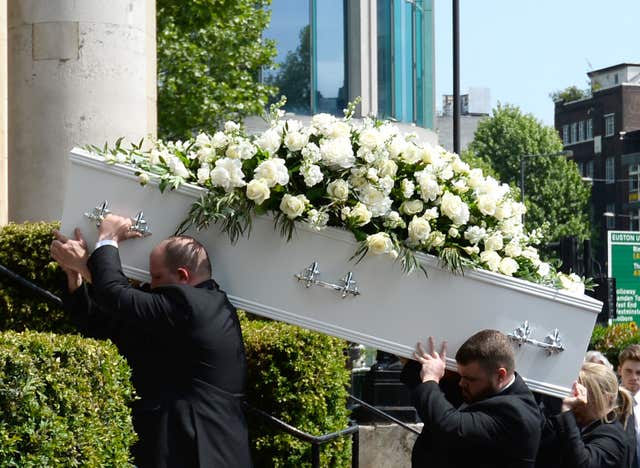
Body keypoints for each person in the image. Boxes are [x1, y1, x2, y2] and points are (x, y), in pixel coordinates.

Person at [50, 214, 252, 468]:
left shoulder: (193, 305)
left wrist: (108, 238)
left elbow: (116, 295)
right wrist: (77, 277)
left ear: (182, 276)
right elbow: (106, 324)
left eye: (155, 277)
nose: (150, 286)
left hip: (199, 447)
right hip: (187, 445)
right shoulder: (185, 312)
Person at [400, 329, 542, 468]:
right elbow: (433, 392)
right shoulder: (484, 386)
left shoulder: (517, 414)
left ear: (500, 375)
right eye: (461, 376)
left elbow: (449, 426)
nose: (461, 383)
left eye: (469, 379)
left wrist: (431, 378)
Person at [536, 362, 634, 468]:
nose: (577, 402)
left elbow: (583, 464)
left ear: (606, 398)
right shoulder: (582, 423)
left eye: (582, 395)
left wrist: (567, 412)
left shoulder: (613, 435)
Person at [619, 344, 640, 468]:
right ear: (619, 370)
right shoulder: (608, 402)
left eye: (639, 372)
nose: (634, 378)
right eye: (628, 371)